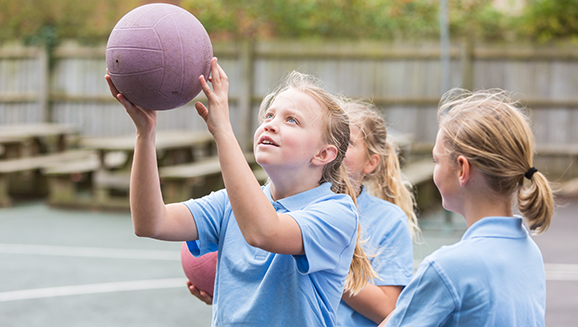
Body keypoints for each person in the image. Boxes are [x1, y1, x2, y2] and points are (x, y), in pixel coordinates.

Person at [105, 58, 376, 326]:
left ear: (323, 154)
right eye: (269, 115)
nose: (270, 123)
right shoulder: (229, 204)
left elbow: (263, 232)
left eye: (292, 120)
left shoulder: (337, 213)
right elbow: (150, 222)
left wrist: (223, 130)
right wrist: (145, 133)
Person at [380, 89, 554, 327]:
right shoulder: (530, 253)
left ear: (462, 169)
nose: (435, 170)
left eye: (436, 161)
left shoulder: (447, 268)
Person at [336, 100, 420, 326]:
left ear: (371, 163)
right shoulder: (294, 205)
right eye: (330, 136)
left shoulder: (389, 220)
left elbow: (388, 307)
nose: (336, 146)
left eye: (348, 141)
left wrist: (320, 258)